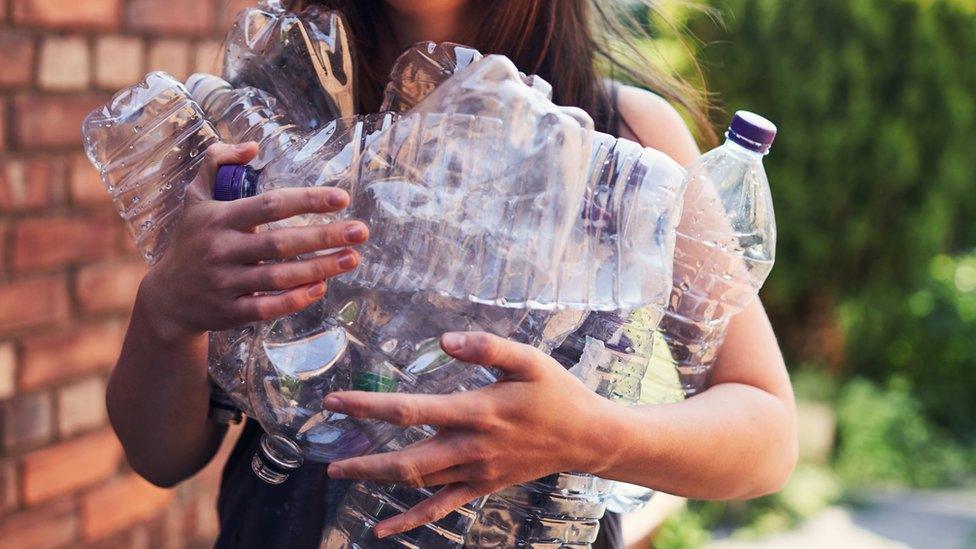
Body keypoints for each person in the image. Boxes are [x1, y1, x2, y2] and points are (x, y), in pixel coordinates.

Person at [105, 1, 797, 547]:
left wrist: (591, 434)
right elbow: (162, 456)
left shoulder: (625, 139)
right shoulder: (262, 121)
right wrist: (166, 312)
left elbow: (766, 432)